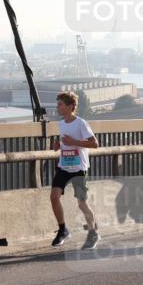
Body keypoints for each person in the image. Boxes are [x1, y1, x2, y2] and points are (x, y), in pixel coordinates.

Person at [50, 91, 100, 249]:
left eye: (60, 104)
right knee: (54, 196)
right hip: (64, 166)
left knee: (82, 204)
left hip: (79, 168)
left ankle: (93, 232)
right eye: (57, 104)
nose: (57, 107)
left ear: (70, 106)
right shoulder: (61, 123)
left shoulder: (81, 123)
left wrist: (74, 141)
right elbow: (66, 141)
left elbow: (95, 144)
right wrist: (59, 145)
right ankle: (63, 229)